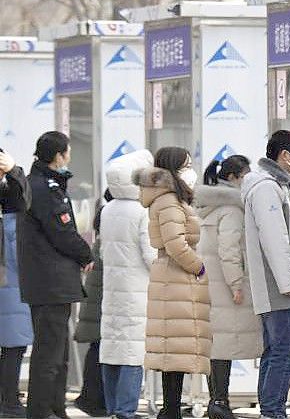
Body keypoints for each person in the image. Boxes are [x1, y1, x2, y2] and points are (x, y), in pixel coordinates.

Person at [18, 131, 95, 419]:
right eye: (67, 151)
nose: (70, 156)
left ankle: (54, 408)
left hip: (49, 281)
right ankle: (41, 412)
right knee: (49, 353)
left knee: (57, 352)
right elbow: (62, 232)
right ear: (58, 155)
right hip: (51, 281)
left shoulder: (41, 184)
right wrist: (85, 255)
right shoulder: (45, 188)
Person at [241, 130, 290, 419]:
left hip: (278, 283)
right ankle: (273, 412)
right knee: (286, 352)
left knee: (278, 351)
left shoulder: (274, 187)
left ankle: (271, 410)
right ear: (284, 155)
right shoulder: (267, 188)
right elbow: (275, 239)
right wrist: (288, 282)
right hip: (279, 286)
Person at [134, 147, 210, 419]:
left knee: (175, 349)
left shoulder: (170, 198)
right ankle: (171, 410)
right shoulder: (167, 201)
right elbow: (175, 244)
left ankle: (171, 409)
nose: (190, 171)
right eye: (186, 166)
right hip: (175, 277)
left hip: (173, 278)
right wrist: (199, 267)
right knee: (174, 348)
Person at [195, 156, 263, 419]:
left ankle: (216, 400)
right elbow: (230, 252)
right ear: (234, 177)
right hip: (226, 285)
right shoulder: (232, 209)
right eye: (246, 174)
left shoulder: (209, 206)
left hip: (210, 284)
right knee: (224, 345)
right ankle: (220, 403)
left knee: (216, 345)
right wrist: (237, 284)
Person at [100, 150, 157, 419]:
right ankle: (126, 411)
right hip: (138, 291)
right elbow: (150, 256)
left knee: (112, 348)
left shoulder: (107, 210)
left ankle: (113, 408)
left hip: (112, 290)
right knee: (133, 353)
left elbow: (102, 252)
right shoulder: (141, 212)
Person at [73, 190, 112, 417]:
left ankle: (91, 398)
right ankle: (92, 399)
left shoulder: (105, 214)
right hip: (104, 296)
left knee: (98, 347)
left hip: (98, 294)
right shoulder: (114, 214)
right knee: (100, 348)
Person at [0, 149, 32, 418]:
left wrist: (15, 173)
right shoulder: (11, 217)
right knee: (12, 346)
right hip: (10, 287)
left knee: (12, 346)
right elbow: (25, 198)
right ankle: (9, 403)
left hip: (9, 287)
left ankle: (8, 400)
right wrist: (15, 172)